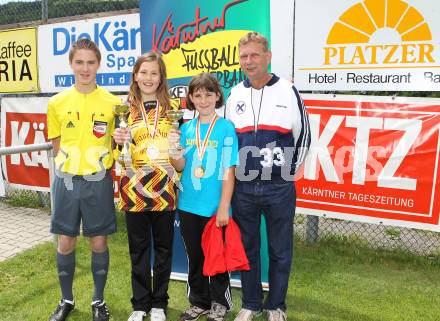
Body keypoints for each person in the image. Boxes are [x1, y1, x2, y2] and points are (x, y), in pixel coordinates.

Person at [225, 32, 311, 321]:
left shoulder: (288, 90)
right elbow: (227, 140)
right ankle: (250, 303)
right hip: (244, 188)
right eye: (244, 56)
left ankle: (276, 305)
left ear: (268, 56)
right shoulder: (235, 93)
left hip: (278, 187)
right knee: (247, 248)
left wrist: (288, 172)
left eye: (254, 55)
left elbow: (305, 135)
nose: (248, 61)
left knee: (279, 249)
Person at [46, 38, 121, 321]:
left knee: (98, 243)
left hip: (98, 181)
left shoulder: (114, 103)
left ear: (99, 64)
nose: (85, 68)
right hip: (66, 181)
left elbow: (119, 145)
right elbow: (56, 145)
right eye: (80, 62)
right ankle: (66, 300)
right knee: (65, 242)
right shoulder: (56, 102)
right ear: (71, 64)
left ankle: (98, 301)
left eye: (91, 62)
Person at [112, 52, 180, 321]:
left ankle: (159, 304)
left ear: (161, 77)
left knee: (164, 249)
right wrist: (117, 141)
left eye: (154, 73)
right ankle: (140, 304)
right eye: (143, 73)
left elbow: (181, 149)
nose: (148, 78)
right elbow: (117, 154)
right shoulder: (124, 109)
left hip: (165, 187)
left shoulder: (174, 108)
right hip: (134, 189)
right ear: (135, 76)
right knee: (138, 249)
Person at [168, 73, 239, 321]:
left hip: (214, 207)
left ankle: (220, 302)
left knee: (216, 256)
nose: (203, 99)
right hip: (188, 205)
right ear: (190, 98)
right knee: (195, 257)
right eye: (197, 95)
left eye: (208, 94)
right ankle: (199, 301)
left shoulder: (225, 128)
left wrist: (223, 206)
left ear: (217, 96)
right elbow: (178, 166)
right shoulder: (186, 128)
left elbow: (229, 170)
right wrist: (173, 148)